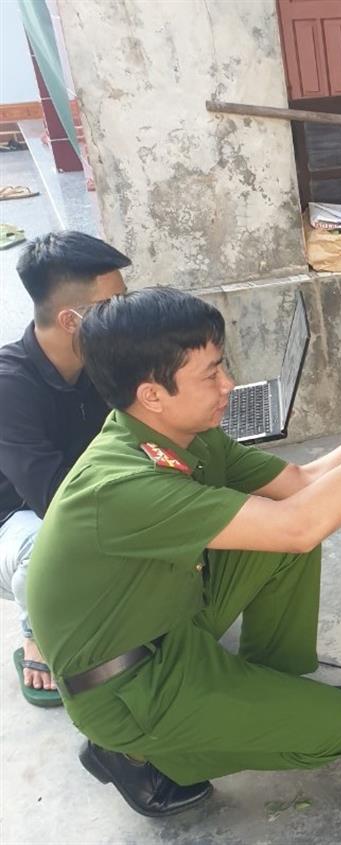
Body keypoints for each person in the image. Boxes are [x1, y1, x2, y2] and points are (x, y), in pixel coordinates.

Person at [27, 286, 341, 817]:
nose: (228, 384)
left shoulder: (180, 431)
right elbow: (300, 524)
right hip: (127, 685)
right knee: (335, 727)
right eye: (211, 375)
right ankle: (134, 752)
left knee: (283, 547)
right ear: (152, 394)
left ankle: (265, 687)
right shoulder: (120, 485)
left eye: (223, 365)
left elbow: (301, 483)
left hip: (168, 619)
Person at [0, 231, 130, 706]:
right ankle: (36, 631)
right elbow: (54, 500)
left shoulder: (98, 362)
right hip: (15, 520)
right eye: (115, 305)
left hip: (76, 495)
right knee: (50, 546)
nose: (126, 315)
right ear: (71, 320)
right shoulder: (10, 386)